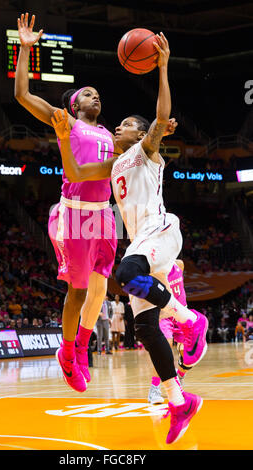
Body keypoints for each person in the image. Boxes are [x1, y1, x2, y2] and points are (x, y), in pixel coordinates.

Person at [51, 32, 207, 444]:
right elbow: (78, 175)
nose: (115, 126)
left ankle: (192, 322)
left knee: (125, 272)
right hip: (142, 243)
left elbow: (160, 116)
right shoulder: (114, 164)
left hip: (160, 230)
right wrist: (64, 140)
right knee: (145, 329)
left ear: (139, 136)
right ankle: (178, 401)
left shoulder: (145, 151)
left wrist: (162, 67)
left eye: (124, 125)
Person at [15, 12, 118, 393]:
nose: (96, 96)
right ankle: (67, 352)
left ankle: (81, 347)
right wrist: (25, 50)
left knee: (101, 291)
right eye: (87, 93)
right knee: (76, 291)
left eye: (97, 93)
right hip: (74, 215)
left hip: (105, 215)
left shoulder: (111, 131)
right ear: (74, 105)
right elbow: (22, 96)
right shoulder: (68, 123)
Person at [148, 259, 193, 404]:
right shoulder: (155, 270)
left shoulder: (179, 264)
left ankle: (179, 377)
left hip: (181, 313)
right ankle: (154, 389)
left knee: (190, 353)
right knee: (163, 351)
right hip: (165, 315)